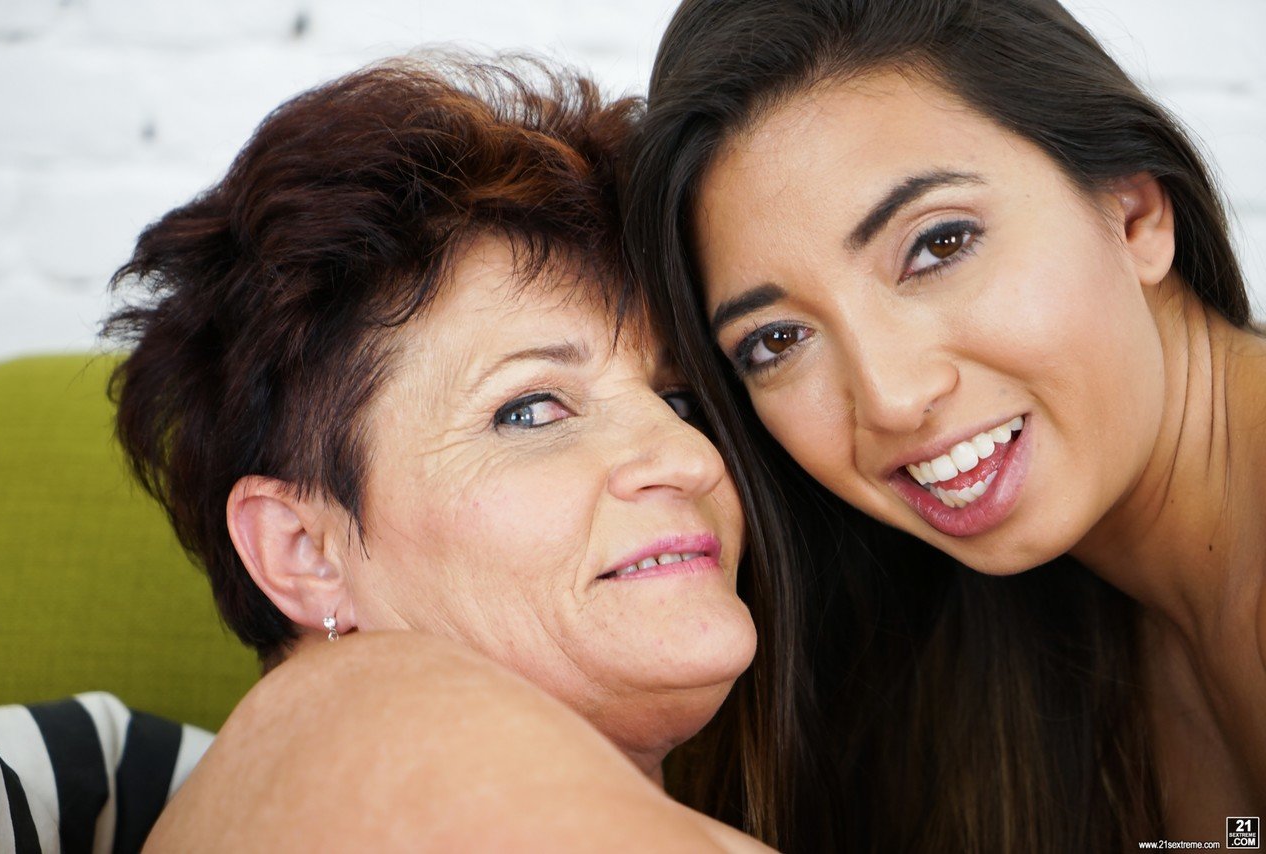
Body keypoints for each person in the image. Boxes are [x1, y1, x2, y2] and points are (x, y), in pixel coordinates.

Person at [89, 56, 815, 851]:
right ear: (304, 551)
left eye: (678, 401)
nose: (689, 456)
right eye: (530, 411)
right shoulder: (362, 707)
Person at [625, 0, 1264, 849]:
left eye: (938, 245)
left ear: (1136, 214)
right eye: (778, 341)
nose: (889, 397)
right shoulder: (1016, 645)